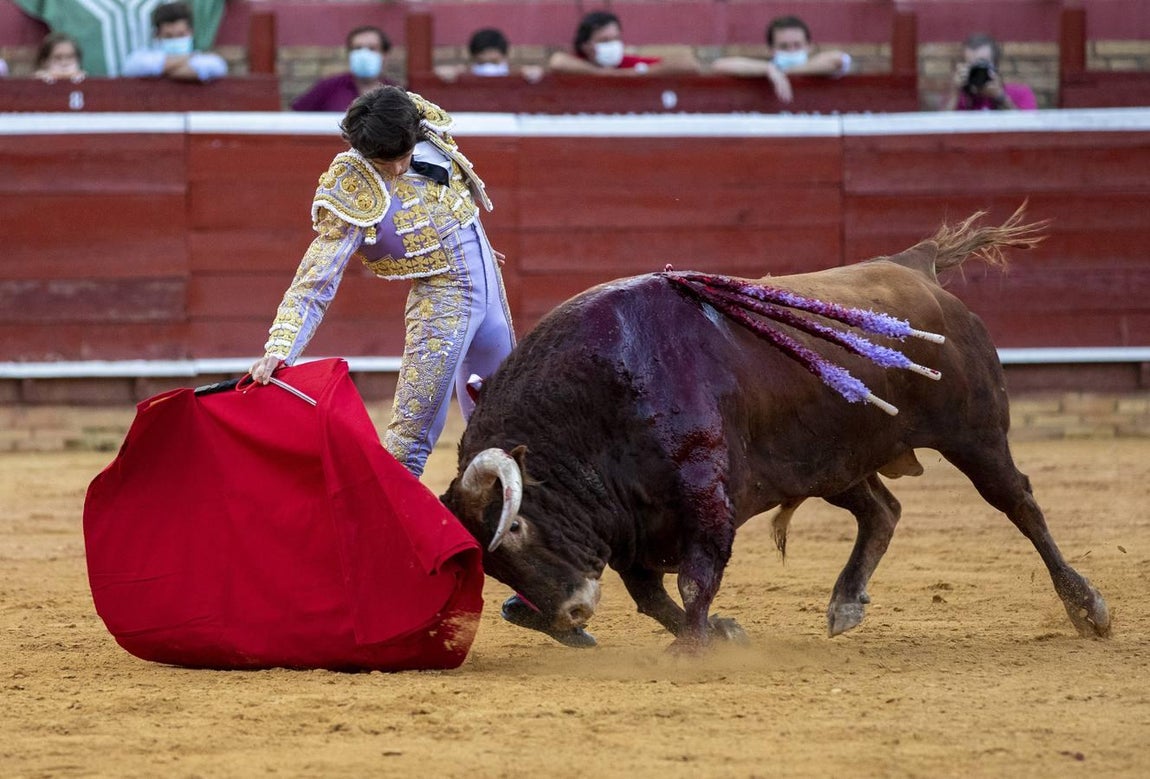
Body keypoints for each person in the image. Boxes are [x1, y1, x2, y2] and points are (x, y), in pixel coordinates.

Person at [250, 87, 516, 478]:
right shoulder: (352, 185)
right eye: (383, 162)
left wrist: (473, 247)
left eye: (402, 157)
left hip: (491, 293)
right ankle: (381, 517)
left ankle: (499, 514)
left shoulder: (425, 127)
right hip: (443, 303)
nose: (396, 170)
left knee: (506, 422)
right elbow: (315, 280)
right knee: (410, 440)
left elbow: (455, 200)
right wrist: (280, 349)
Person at [711, 15, 850, 103]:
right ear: (771, 49)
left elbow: (838, 59)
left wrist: (782, 72)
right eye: (784, 46)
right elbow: (719, 65)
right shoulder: (770, 69)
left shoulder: (819, 66)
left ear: (809, 47)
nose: (791, 51)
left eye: (797, 45)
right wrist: (769, 69)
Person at [547, 10, 701, 75]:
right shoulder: (578, 63)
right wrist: (601, 73)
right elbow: (557, 62)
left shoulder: (625, 62)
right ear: (586, 46)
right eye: (604, 40)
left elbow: (689, 63)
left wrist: (635, 73)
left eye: (616, 39)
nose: (613, 45)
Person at [291, 26, 400, 113]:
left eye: (372, 48)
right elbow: (296, 117)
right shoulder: (329, 87)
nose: (363, 54)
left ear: (385, 55)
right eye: (357, 48)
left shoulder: (396, 94)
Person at [121, 1, 226, 82]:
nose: (175, 40)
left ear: (191, 33)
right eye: (168, 36)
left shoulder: (206, 60)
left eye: (181, 35)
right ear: (156, 36)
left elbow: (216, 66)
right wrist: (187, 58)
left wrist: (163, 71)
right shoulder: (141, 57)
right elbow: (133, 66)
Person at [943, 32, 1037, 111]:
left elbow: (1029, 125)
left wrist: (1000, 97)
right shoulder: (958, 97)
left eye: (982, 65)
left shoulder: (1020, 93)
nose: (977, 71)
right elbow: (942, 125)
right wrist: (954, 93)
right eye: (971, 66)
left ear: (995, 65)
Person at [434, 27, 544, 83]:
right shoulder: (464, 72)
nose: (489, 68)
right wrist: (445, 73)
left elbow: (535, 72)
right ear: (473, 58)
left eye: (494, 62)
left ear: (504, 57)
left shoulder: (517, 72)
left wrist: (534, 73)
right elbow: (440, 72)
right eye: (482, 63)